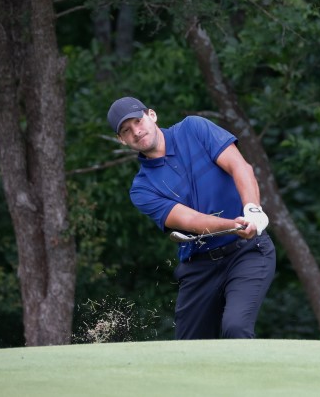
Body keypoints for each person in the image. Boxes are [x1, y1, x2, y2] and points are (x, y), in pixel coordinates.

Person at [107, 96, 276, 339]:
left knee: (236, 328)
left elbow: (240, 167)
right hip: (200, 267)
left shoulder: (194, 128)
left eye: (138, 121)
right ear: (121, 140)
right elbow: (193, 221)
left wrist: (252, 210)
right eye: (126, 130)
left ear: (152, 115)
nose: (136, 131)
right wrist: (235, 224)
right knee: (188, 350)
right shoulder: (142, 189)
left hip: (248, 252)